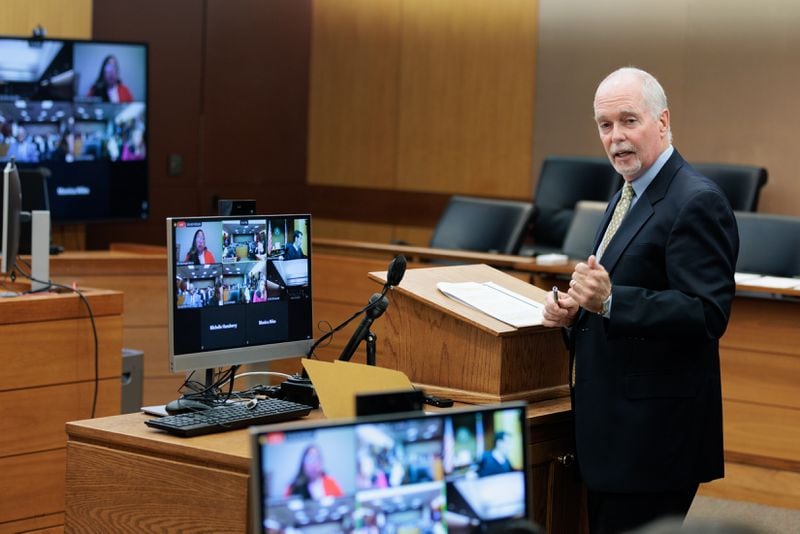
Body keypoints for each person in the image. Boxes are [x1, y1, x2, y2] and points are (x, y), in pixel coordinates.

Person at [542, 67, 738, 534]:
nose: (616, 138)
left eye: (629, 121)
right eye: (605, 126)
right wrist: (575, 309)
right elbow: (613, 289)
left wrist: (611, 302)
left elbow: (708, 313)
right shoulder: (625, 194)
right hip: (614, 433)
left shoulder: (696, 201)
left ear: (663, 121)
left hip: (653, 440)